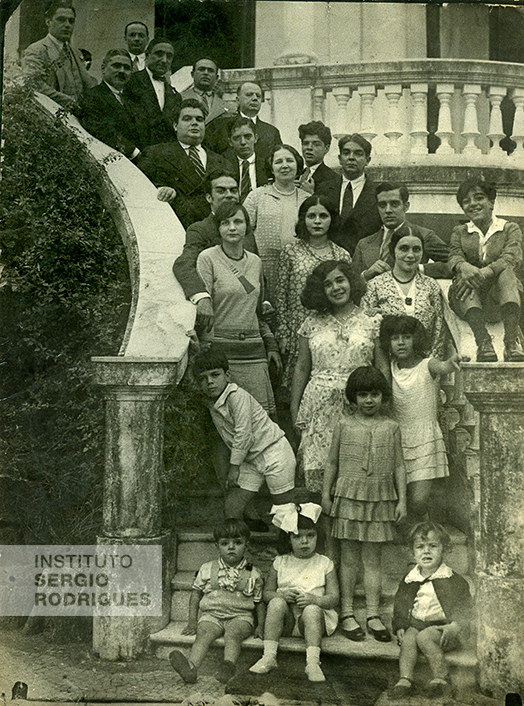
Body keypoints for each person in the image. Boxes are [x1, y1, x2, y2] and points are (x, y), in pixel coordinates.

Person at [322, 366, 407, 643]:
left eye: (374, 394)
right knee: (348, 559)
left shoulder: (391, 427)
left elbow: (399, 466)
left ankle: (372, 614)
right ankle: (346, 613)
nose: (369, 400)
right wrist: (326, 495)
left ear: (383, 397)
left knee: (373, 559)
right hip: (348, 496)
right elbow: (332, 462)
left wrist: (402, 500)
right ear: (352, 398)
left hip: (380, 497)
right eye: (362, 395)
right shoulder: (343, 425)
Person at [290, 260, 382, 502]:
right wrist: (295, 407)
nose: (335, 288)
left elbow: (382, 368)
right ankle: (325, 538)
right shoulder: (311, 322)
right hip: (318, 408)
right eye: (327, 284)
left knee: (356, 474)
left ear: (351, 282)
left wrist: (385, 403)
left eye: (340, 280)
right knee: (320, 483)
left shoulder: (372, 320)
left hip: (360, 405)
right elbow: (301, 367)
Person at [195, 201, 281, 415]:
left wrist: (270, 344)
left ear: (247, 227)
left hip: (253, 354)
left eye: (238, 222)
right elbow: (202, 311)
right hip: (221, 354)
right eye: (225, 223)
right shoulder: (207, 258)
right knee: (228, 421)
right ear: (218, 228)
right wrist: (204, 348)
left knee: (259, 421)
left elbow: (257, 310)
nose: (232, 228)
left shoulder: (255, 262)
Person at [192, 348, 296, 521]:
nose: (209, 382)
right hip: (250, 460)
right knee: (232, 510)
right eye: (203, 378)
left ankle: (287, 543)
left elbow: (244, 434)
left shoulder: (237, 396)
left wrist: (234, 468)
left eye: (215, 375)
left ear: (228, 376)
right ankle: (241, 542)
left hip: (274, 452)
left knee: (285, 512)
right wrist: (196, 350)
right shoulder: (211, 400)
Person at [380, 315, 463, 520]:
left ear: (415, 339)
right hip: (397, 441)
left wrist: (452, 363)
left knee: (418, 501)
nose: (401, 342)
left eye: (406, 337)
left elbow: (444, 366)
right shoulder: (388, 368)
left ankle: (423, 529)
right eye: (395, 338)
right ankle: (411, 536)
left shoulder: (428, 364)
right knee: (399, 498)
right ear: (387, 343)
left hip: (424, 440)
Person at [249, 503, 339, 682]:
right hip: (287, 621)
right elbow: (266, 594)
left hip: (313, 621)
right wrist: (280, 595)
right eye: (297, 536)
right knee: (275, 603)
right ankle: (269, 656)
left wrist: (315, 599)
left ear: (317, 537)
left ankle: (312, 662)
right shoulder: (280, 562)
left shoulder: (324, 563)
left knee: (312, 610)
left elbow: (334, 598)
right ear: (288, 538)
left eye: (310, 536)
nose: (304, 541)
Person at [169, 519, 264, 685]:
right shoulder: (207, 568)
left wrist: (261, 625)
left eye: (238, 542)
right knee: (203, 633)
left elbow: (259, 602)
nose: (231, 547)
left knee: (233, 634)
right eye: (225, 543)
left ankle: (228, 667)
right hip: (212, 615)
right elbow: (196, 595)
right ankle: (191, 668)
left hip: (240, 616)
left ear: (246, 545)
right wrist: (192, 621)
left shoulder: (253, 573)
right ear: (217, 546)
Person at [275, 195, 351, 393]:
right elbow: (281, 295)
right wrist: (283, 331)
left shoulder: (341, 255)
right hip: (297, 329)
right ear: (303, 219)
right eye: (311, 216)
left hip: (331, 330)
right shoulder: (290, 252)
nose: (317, 221)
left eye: (323, 216)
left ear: (332, 219)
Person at [390, 522, 472, 700]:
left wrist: (455, 626)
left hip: (444, 629)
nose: (426, 551)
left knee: (424, 637)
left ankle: (441, 678)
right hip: (417, 624)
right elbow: (401, 606)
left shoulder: (453, 580)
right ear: (413, 552)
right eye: (420, 547)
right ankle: (405, 679)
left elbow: (466, 608)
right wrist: (400, 626)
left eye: (433, 546)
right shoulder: (410, 579)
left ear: (445, 550)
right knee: (410, 637)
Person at [448, 178, 524, 362]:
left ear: (491, 202)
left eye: (479, 198)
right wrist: (463, 266)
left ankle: (511, 341)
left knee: (506, 273)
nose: (473, 204)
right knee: (465, 275)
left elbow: (512, 257)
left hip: (500, 298)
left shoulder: (509, 228)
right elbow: (453, 256)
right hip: (467, 300)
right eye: (466, 201)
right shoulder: (460, 231)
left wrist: (484, 272)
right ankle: (483, 342)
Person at [138, 99, 229, 229]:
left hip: (214, 232)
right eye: (187, 119)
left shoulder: (222, 162)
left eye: (199, 119)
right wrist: (160, 190)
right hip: (174, 228)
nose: (194, 123)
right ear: (175, 125)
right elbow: (141, 189)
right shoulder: (156, 154)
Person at [361, 228, 446, 358]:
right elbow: (366, 329)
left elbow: (439, 330)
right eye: (404, 249)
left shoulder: (431, 285)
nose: (411, 255)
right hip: (386, 364)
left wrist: (429, 366)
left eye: (416, 249)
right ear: (393, 251)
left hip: (424, 364)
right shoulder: (376, 285)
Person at [243, 144, 309, 300]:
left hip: (300, 270)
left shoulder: (308, 199)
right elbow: (244, 234)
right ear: (271, 168)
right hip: (265, 269)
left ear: (297, 165)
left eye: (289, 161)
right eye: (279, 162)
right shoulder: (256, 197)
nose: (285, 165)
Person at [353, 183, 450, 281]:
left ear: (406, 206)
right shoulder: (364, 244)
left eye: (394, 204)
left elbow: (456, 265)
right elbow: (350, 280)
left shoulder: (424, 235)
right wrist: (366, 275)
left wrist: (418, 268)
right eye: (382, 205)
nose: (388, 210)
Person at [21, 0, 96, 111]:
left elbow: (87, 83)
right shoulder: (36, 50)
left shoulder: (75, 52)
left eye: (71, 21)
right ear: (48, 22)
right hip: (52, 114)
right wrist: (68, 101)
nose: (67, 25)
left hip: (78, 114)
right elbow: (34, 84)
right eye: (61, 20)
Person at [316, 133, 382, 256]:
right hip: (328, 261)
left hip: (363, 263)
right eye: (346, 153)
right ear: (340, 159)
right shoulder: (324, 189)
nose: (351, 158)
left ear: (368, 160)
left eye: (358, 153)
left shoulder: (378, 193)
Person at [79, 49, 142, 160]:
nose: (122, 71)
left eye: (127, 68)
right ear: (103, 68)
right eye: (116, 66)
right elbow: (101, 130)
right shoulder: (92, 96)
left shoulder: (132, 98)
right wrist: (134, 152)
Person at [124, 36, 181, 147]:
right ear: (147, 55)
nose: (164, 60)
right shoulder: (130, 82)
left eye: (169, 56)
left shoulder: (175, 95)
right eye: (159, 54)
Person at [206, 81, 282, 162]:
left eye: (258, 96)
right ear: (238, 100)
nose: (255, 98)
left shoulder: (271, 132)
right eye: (249, 95)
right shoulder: (219, 126)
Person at [224, 117, 269, 202]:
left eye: (247, 136)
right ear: (230, 142)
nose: (243, 142)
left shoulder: (267, 165)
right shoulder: (224, 166)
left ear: (255, 138)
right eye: (237, 138)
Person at [182, 57, 231, 125]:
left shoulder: (226, 106)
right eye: (201, 69)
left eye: (210, 71)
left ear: (216, 77)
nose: (206, 73)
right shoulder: (179, 98)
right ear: (192, 74)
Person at [297, 121, 338, 193]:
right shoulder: (297, 175)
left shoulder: (333, 179)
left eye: (316, 144)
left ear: (326, 148)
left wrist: (311, 194)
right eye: (306, 143)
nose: (309, 148)